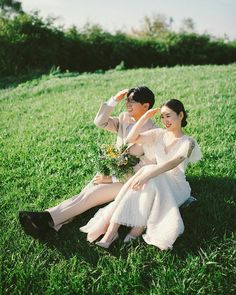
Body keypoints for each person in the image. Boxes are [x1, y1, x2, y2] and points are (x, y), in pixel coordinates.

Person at [19, 86, 157, 237]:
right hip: (112, 170)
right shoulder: (124, 118)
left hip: (129, 182)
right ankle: (49, 223)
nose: (128, 104)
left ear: (146, 106)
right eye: (127, 100)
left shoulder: (152, 133)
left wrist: (112, 178)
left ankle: (44, 218)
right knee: (84, 195)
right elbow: (100, 122)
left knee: (91, 195)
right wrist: (113, 100)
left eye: (133, 101)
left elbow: (146, 168)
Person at [80, 99, 202, 250]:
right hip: (155, 178)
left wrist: (147, 175)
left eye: (168, 116)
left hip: (176, 187)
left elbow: (172, 163)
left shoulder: (188, 142)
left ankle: (134, 229)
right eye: (162, 117)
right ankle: (112, 232)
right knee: (148, 174)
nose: (165, 121)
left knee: (148, 171)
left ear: (181, 115)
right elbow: (131, 138)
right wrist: (144, 117)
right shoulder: (159, 134)